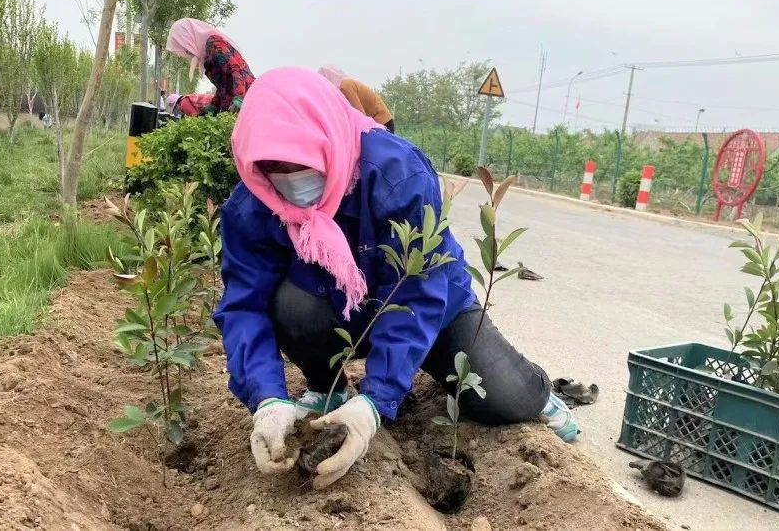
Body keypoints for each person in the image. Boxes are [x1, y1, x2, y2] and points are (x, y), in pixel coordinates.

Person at [214, 67, 577, 490]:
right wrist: (267, 398)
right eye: (274, 166)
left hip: (432, 304)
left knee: (505, 399)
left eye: (301, 160)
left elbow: (421, 293)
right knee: (289, 303)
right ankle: (327, 388)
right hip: (336, 309)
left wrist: (376, 402)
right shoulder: (252, 204)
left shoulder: (395, 173)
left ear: (328, 136)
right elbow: (244, 305)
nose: (290, 177)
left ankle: (535, 387)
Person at [165, 18, 255, 115]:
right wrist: (214, 105)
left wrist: (239, 98)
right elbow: (223, 85)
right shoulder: (207, 56)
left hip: (248, 98)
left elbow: (235, 70)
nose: (187, 52)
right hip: (231, 103)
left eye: (185, 46)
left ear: (189, 38)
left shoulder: (215, 44)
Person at [318, 65, 396, 133]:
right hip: (381, 122)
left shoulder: (345, 87)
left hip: (382, 123)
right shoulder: (347, 84)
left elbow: (360, 115)